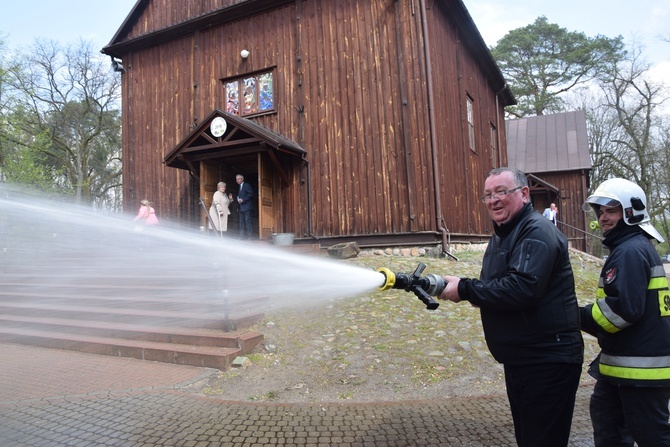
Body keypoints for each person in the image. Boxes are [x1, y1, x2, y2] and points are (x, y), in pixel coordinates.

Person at [437, 167, 584, 447]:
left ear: (524, 193)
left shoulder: (536, 232)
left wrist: (466, 289)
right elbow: (498, 289)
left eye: (502, 192)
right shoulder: (504, 236)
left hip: (547, 361)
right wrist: (475, 293)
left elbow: (522, 288)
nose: (494, 200)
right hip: (523, 359)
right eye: (488, 195)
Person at [580, 178, 670, 447]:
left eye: (611, 211)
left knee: (651, 436)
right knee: (610, 429)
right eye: (601, 212)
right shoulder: (632, 247)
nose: (603, 218)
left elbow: (621, 311)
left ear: (631, 212)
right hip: (625, 370)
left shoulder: (630, 251)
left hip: (639, 373)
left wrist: (574, 316)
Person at [236, 174, 254, 239]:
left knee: (248, 222)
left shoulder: (247, 185)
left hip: (247, 207)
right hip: (241, 208)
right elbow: (239, 197)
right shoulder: (239, 187)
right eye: (236, 179)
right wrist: (238, 207)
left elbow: (251, 194)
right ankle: (241, 236)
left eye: (238, 179)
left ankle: (250, 236)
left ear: (242, 179)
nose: (237, 180)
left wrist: (243, 199)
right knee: (241, 223)